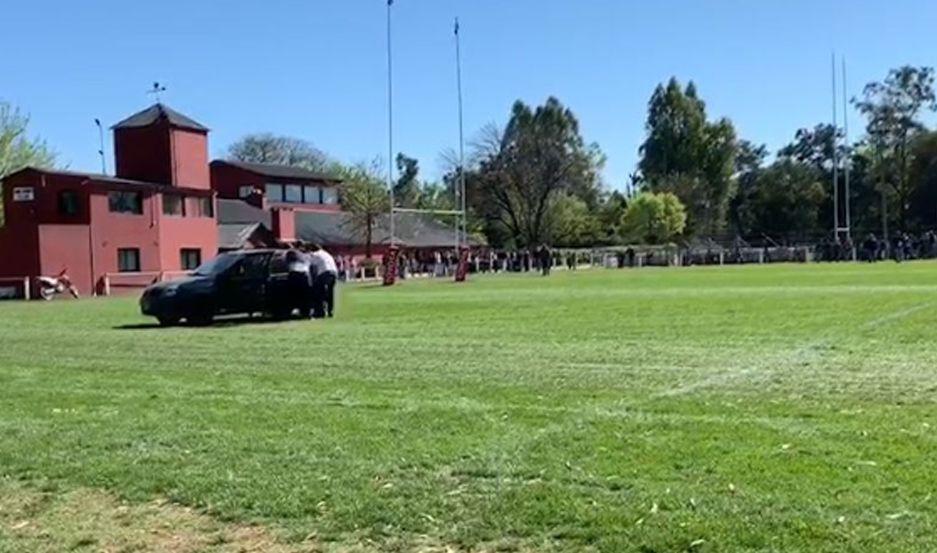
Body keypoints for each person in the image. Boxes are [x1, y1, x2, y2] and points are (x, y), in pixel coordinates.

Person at [309, 244, 338, 318]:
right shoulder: (326, 254)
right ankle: (330, 311)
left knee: (319, 292)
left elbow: (311, 265)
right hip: (334, 273)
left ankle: (321, 311)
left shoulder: (315, 254)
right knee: (330, 293)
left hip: (324, 273)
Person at [286, 249, 312, 317]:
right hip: (304, 275)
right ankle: (306, 312)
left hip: (295, 274)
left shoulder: (291, 255)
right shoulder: (307, 256)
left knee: (294, 294)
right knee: (305, 295)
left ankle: (295, 310)